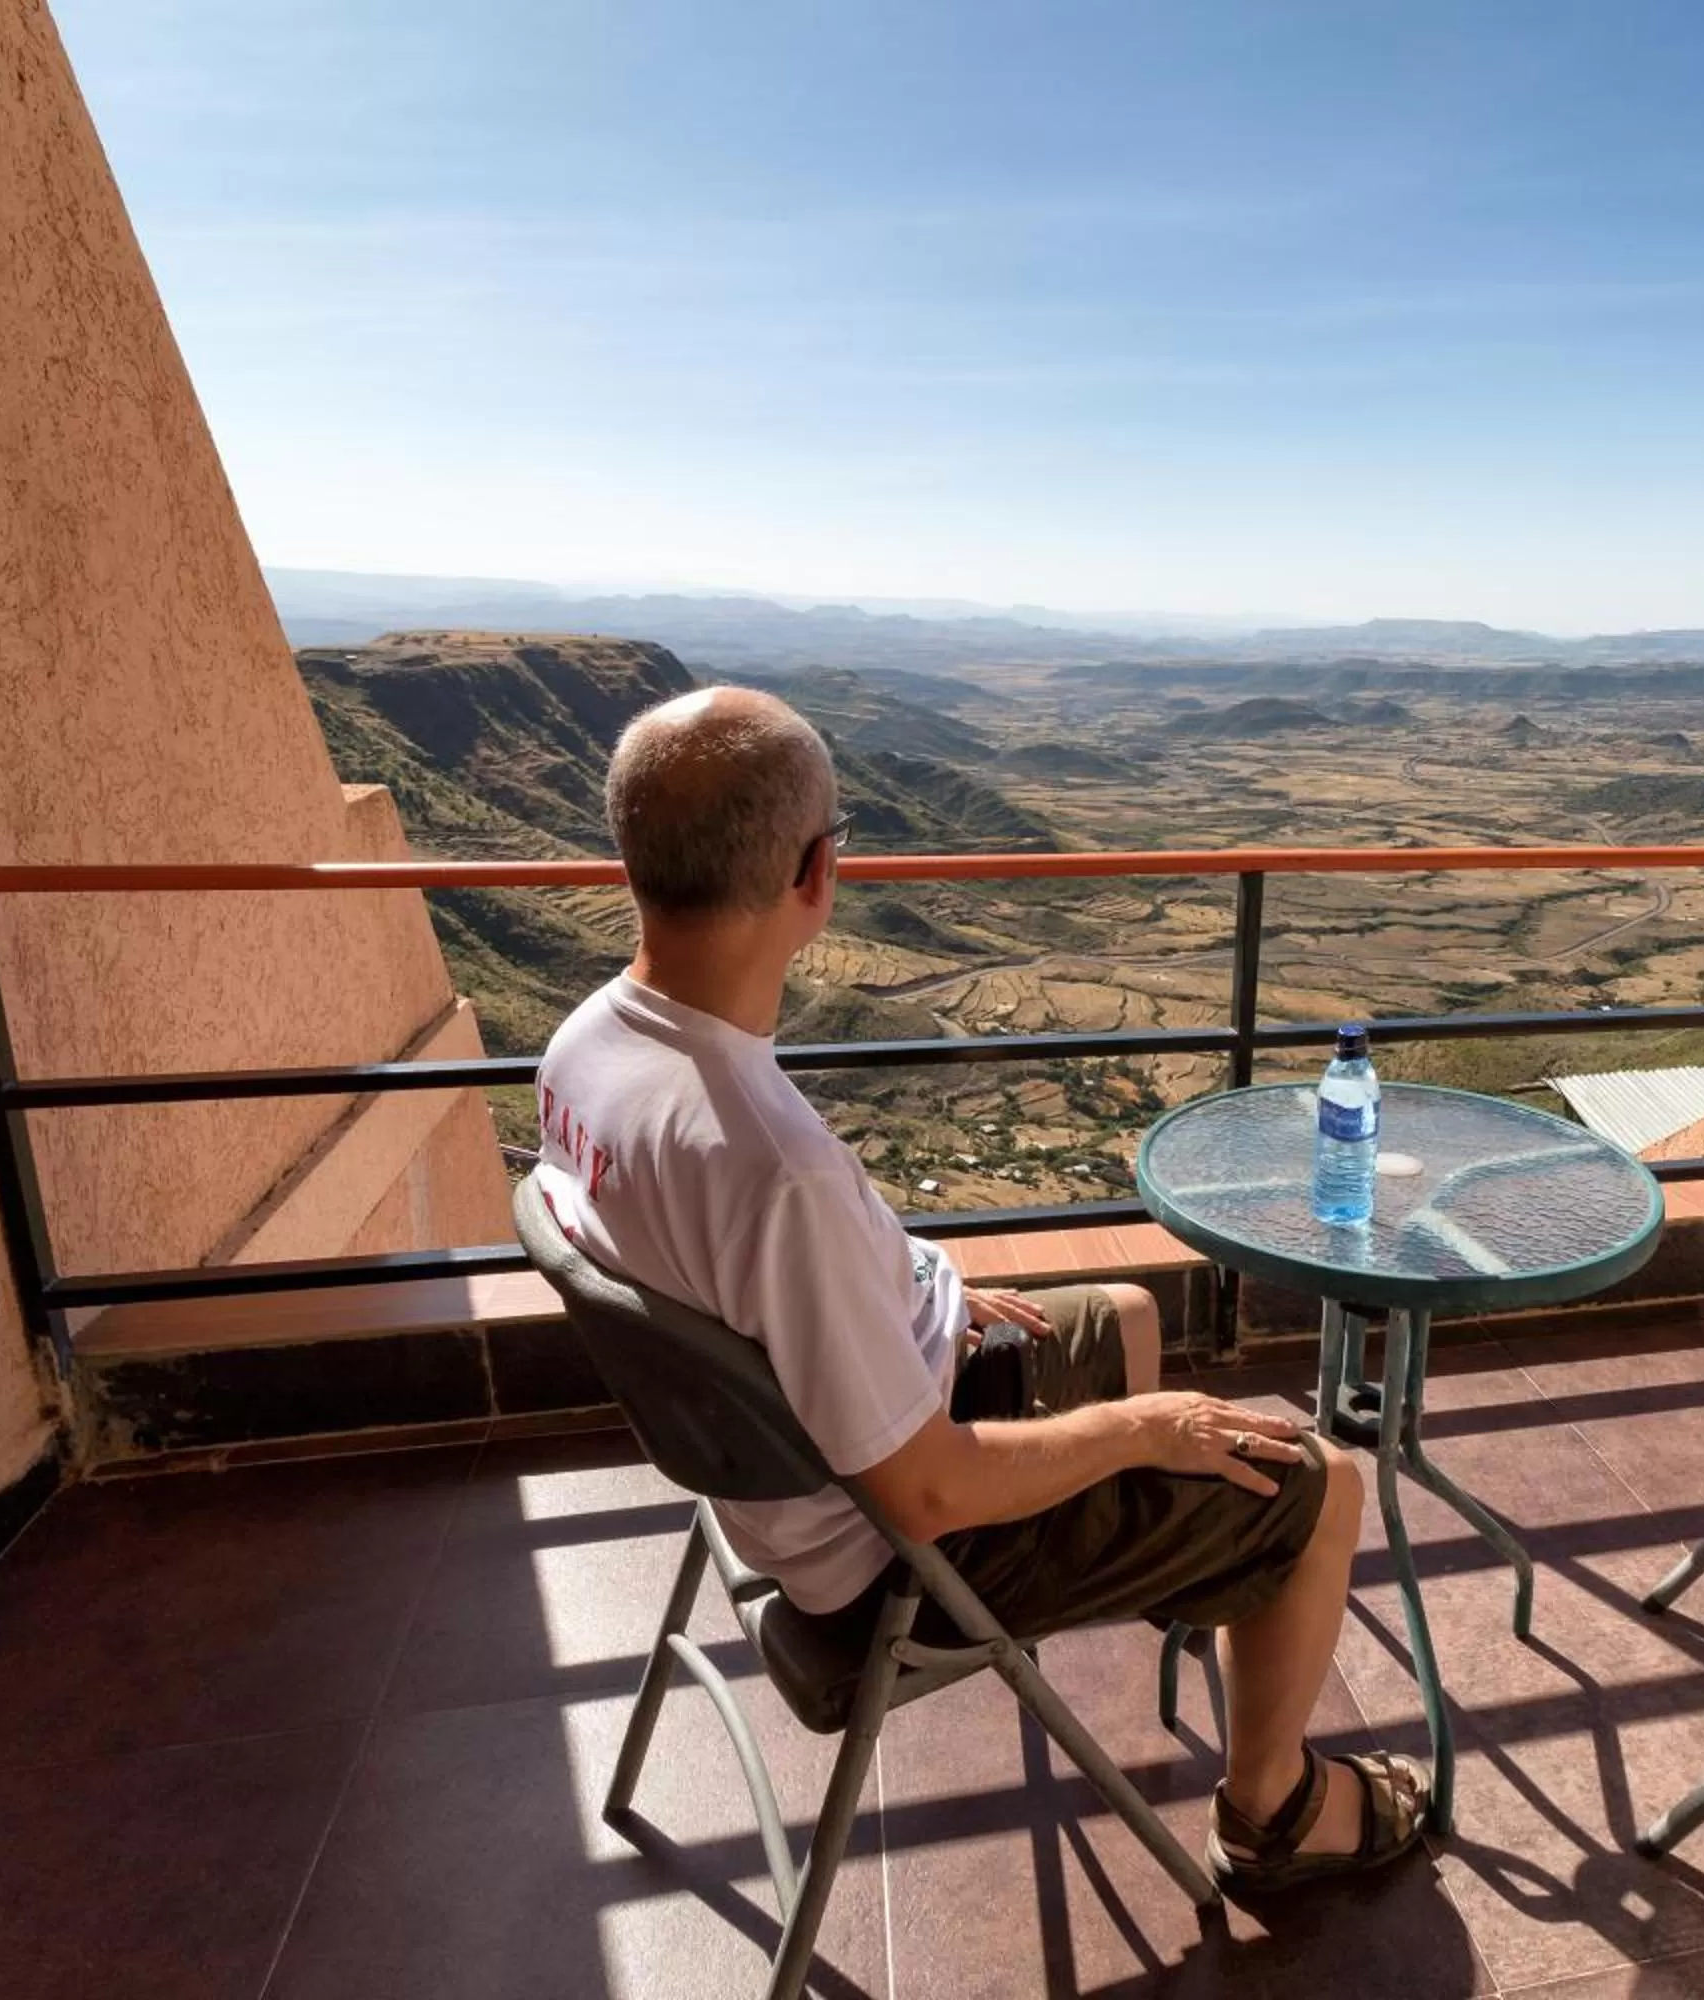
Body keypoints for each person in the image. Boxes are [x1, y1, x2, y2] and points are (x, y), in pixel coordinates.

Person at [533, 686, 1428, 1894]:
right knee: (1318, 1480)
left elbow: (757, 1280)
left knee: (1124, 1315)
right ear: (816, 873)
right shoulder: (769, 1161)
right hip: (893, 1557)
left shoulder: (588, 1044)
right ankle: (1272, 1809)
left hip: (803, 1461)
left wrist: (912, 1291)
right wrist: (1137, 1430)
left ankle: (1172, 1564)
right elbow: (931, 1485)